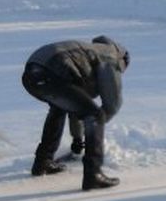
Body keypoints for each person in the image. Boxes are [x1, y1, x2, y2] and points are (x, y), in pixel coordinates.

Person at [21, 36, 130, 191]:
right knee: (95, 115)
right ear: (123, 59)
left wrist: (78, 139)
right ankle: (93, 174)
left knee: (59, 108)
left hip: (31, 74)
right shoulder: (110, 56)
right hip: (52, 72)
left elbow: (76, 108)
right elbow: (112, 104)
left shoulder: (88, 53)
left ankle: (43, 162)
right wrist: (95, 128)